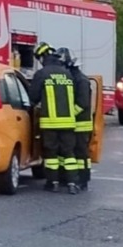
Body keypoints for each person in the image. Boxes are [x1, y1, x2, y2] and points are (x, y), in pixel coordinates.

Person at [29, 43, 86, 195]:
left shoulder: (42, 74)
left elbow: (32, 97)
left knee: (51, 154)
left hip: (50, 123)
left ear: (42, 57)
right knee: (69, 154)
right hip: (68, 122)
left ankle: (52, 183)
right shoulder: (67, 73)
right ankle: (73, 184)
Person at [59, 47, 94, 191]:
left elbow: (82, 103)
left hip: (81, 124)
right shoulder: (72, 78)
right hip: (73, 123)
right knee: (69, 151)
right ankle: (68, 177)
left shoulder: (81, 81)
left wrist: (69, 115)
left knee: (81, 154)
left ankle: (83, 179)